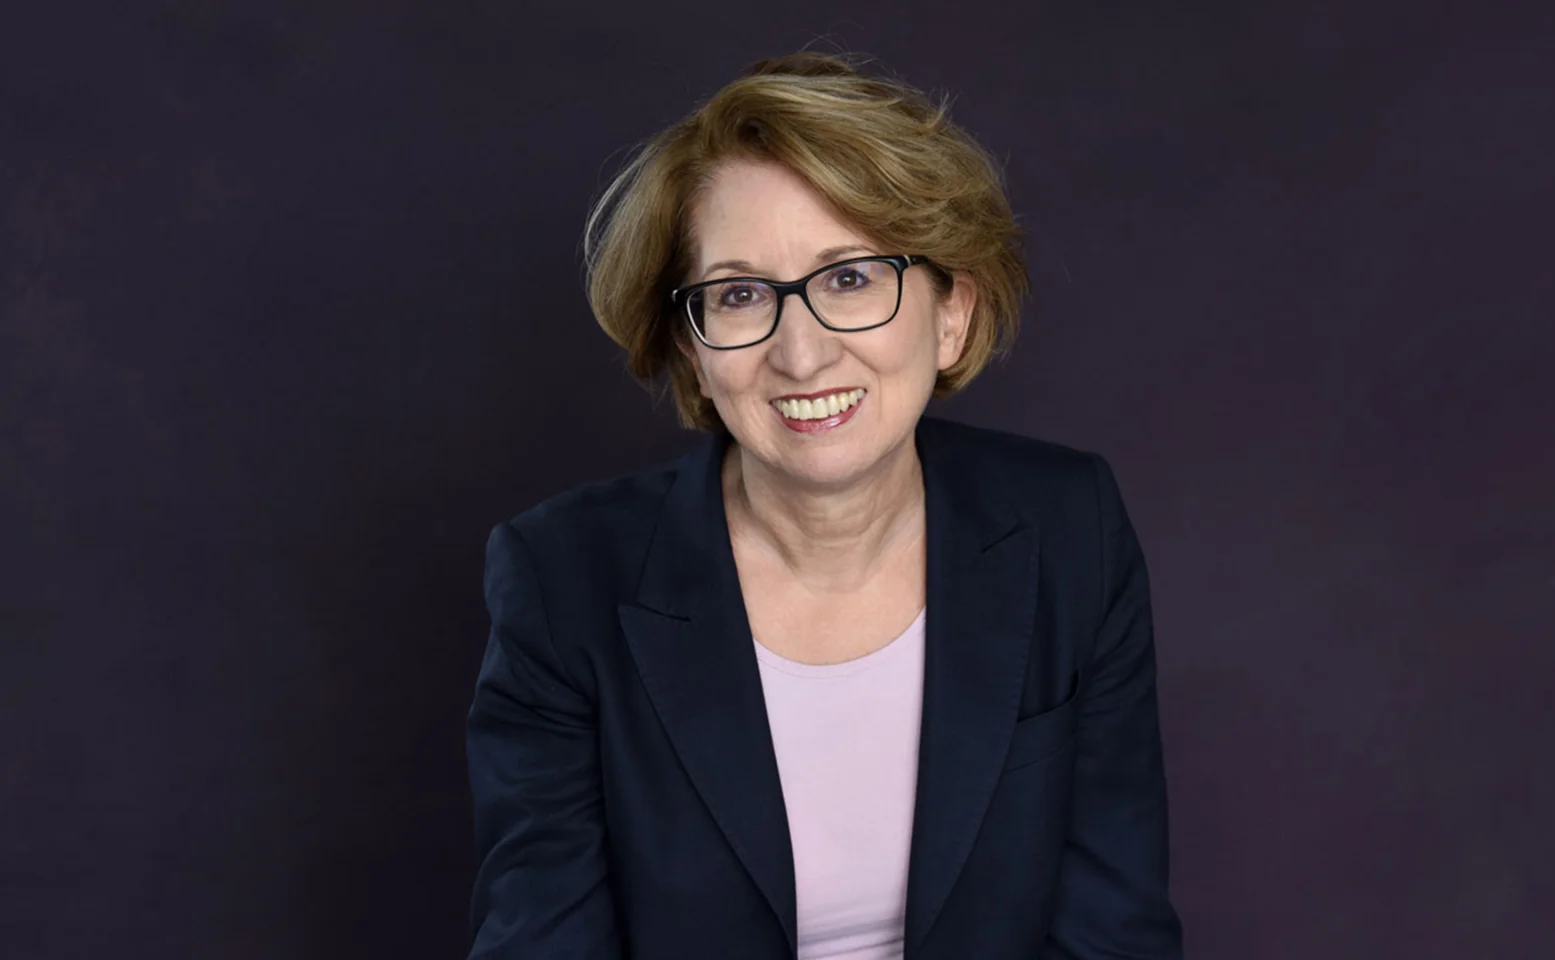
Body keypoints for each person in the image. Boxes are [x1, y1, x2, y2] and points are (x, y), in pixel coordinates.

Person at [465, 51, 1183, 960]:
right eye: (738, 295)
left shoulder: (1070, 527)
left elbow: (1113, 936)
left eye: (849, 277)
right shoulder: (562, 578)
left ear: (950, 310)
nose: (800, 356)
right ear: (694, 351)